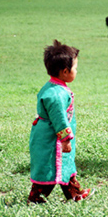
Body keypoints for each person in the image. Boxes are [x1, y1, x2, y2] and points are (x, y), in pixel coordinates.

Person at [28, 40, 92, 203]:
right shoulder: (56, 95)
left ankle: (75, 193)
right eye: (75, 68)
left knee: (66, 166)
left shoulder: (54, 87)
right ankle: (36, 198)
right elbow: (59, 120)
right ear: (65, 71)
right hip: (53, 140)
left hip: (51, 137)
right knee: (51, 168)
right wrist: (65, 140)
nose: (76, 71)